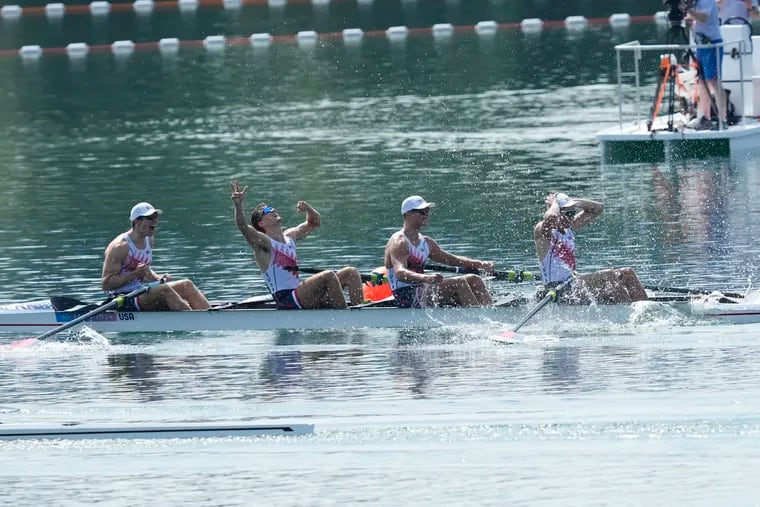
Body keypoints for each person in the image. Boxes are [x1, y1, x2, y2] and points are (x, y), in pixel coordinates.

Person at [230, 180, 363, 309]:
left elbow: (314, 223)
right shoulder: (263, 244)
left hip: (300, 296)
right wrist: (238, 205)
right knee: (328, 275)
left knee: (351, 272)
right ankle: (345, 318)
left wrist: (309, 209)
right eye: (268, 210)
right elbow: (243, 228)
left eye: (272, 208)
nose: (273, 210)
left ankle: (360, 312)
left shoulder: (290, 236)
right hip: (286, 300)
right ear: (261, 223)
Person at [533, 192, 648, 304]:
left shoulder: (569, 227)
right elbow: (551, 217)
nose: (571, 217)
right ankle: (627, 313)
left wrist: (575, 202)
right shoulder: (543, 231)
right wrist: (554, 202)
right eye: (568, 214)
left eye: (573, 213)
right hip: (557, 288)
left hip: (572, 283)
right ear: (558, 212)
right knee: (610, 277)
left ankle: (644, 309)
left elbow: (598, 208)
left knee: (627, 273)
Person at [384, 195, 494, 308]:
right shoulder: (399, 242)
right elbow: (400, 273)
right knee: (459, 282)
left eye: (427, 211)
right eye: (422, 211)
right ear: (408, 214)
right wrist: (426, 278)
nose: (426, 214)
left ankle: (490, 313)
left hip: (423, 288)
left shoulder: (426, 242)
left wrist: (479, 264)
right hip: (406, 295)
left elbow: (452, 260)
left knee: (474, 279)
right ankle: (478, 319)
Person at [101, 202, 211, 311]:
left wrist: (158, 278)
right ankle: (193, 321)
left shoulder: (149, 239)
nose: (154, 221)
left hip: (140, 292)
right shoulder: (120, 247)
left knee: (186, 285)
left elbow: (144, 270)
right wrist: (134, 274)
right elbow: (106, 284)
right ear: (137, 221)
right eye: (150, 218)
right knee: (164, 290)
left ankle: (210, 317)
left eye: (155, 217)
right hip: (123, 299)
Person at [687, 0, 726, 130]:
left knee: (713, 81)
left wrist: (689, 10)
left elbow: (703, 18)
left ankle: (722, 119)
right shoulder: (695, 2)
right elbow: (695, 19)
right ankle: (705, 118)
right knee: (702, 82)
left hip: (712, 44)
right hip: (701, 45)